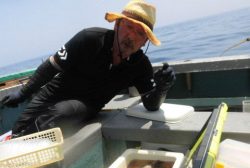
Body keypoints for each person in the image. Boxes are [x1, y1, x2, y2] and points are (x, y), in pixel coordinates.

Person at [1, 0, 176, 138]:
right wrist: (22, 94)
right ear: (117, 25)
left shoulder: (140, 65)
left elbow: (151, 105)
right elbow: (51, 67)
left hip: (86, 105)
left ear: (145, 42)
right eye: (129, 26)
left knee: (57, 115)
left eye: (140, 33)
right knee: (19, 129)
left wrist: (162, 88)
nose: (131, 36)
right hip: (53, 93)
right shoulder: (89, 38)